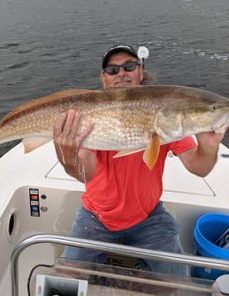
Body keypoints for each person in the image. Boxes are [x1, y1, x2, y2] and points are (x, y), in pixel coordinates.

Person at [53, 44, 226, 276]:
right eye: (112, 70)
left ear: (140, 73)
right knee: (66, 276)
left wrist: (207, 146)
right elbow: (86, 173)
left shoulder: (166, 116)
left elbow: (199, 168)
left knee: (177, 277)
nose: (121, 73)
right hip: (96, 216)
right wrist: (68, 157)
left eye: (129, 66)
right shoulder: (90, 116)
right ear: (104, 79)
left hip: (148, 216)